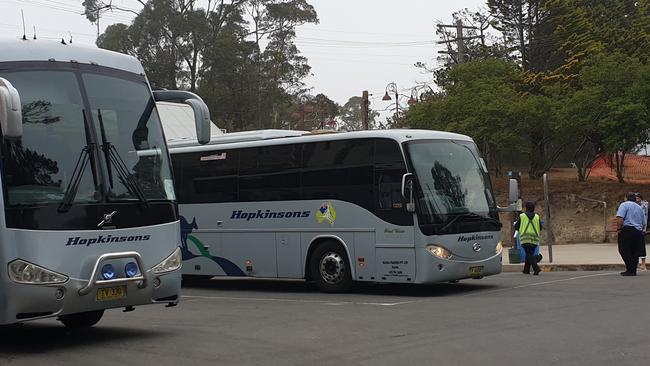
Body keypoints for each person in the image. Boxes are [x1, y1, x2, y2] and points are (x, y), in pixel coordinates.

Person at [616, 192, 646, 276]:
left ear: (626, 198)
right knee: (634, 251)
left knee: (623, 249)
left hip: (627, 229)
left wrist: (619, 228)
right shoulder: (639, 207)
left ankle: (630, 269)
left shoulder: (624, 205)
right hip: (637, 231)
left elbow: (620, 217)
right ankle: (632, 270)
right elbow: (644, 222)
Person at [514, 201, 543, 275]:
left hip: (525, 238)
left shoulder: (522, 216)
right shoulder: (537, 216)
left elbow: (517, 226)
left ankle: (536, 268)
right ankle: (526, 270)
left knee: (529, 254)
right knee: (529, 254)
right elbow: (540, 228)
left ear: (526, 208)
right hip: (535, 239)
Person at [636, 193, 648, 271]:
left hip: (642, 228)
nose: (636, 200)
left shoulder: (645, 205)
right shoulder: (633, 205)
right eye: (635, 198)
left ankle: (643, 264)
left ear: (640, 198)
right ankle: (636, 264)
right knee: (634, 247)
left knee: (641, 246)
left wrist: (645, 228)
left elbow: (645, 217)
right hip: (635, 228)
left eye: (637, 198)